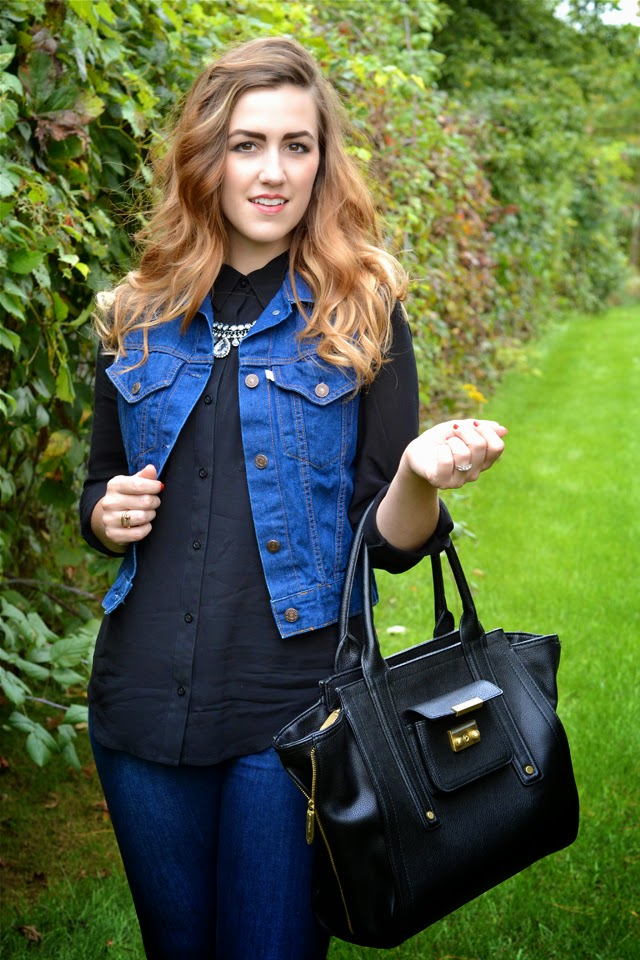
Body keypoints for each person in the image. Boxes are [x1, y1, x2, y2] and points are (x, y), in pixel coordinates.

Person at [80, 36, 506, 960]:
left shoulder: (362, 311)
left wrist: (416, 477)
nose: (273, 172)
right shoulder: (132, 315)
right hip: (141, 698)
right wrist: (106, 516)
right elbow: (98, 488)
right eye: (247, 144)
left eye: (297, 146)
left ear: (323, 161)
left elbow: (386, 543)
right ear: (206, 157)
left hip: (299, 710)